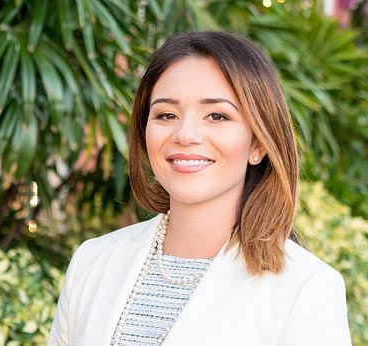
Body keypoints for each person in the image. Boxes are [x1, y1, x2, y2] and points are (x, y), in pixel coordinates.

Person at [47, 31, 350, 346]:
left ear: (258, 143)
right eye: (167, 114)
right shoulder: (93, 261)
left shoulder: (306, 287)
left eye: (217, 116)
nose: (186, 134)